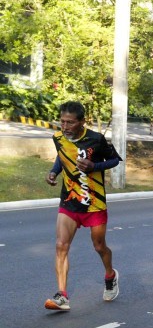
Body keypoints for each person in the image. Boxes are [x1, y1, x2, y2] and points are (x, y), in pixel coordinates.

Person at [44, 101, 122, 311]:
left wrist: (94, 166)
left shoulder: (96, 139)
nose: (65, 126)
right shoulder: (58, 138)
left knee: (99, 246)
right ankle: (62, 296)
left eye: (70, 122)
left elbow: (114, 160)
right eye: (62, 121)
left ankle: (110, 275)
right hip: (69, 201)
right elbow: (62, 157)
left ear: (81, 122)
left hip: (94, 203)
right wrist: (53, 172)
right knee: (61, 245)